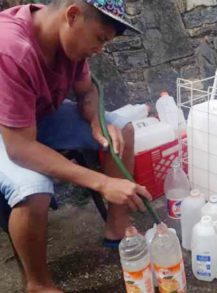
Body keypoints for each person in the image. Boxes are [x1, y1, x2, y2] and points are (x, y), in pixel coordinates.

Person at [0, 1, 146, 291]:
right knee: (33, 189)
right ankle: (39, 283)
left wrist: (94, 121)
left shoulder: (70, 42)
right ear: (72, 14)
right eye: (100, 39)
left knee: (122, 130)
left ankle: (118, 226)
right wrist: (103, 182)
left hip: (37, 114)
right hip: (8, 129)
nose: (100, 49)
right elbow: (19, 147)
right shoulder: (11, 48)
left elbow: (86, 91)